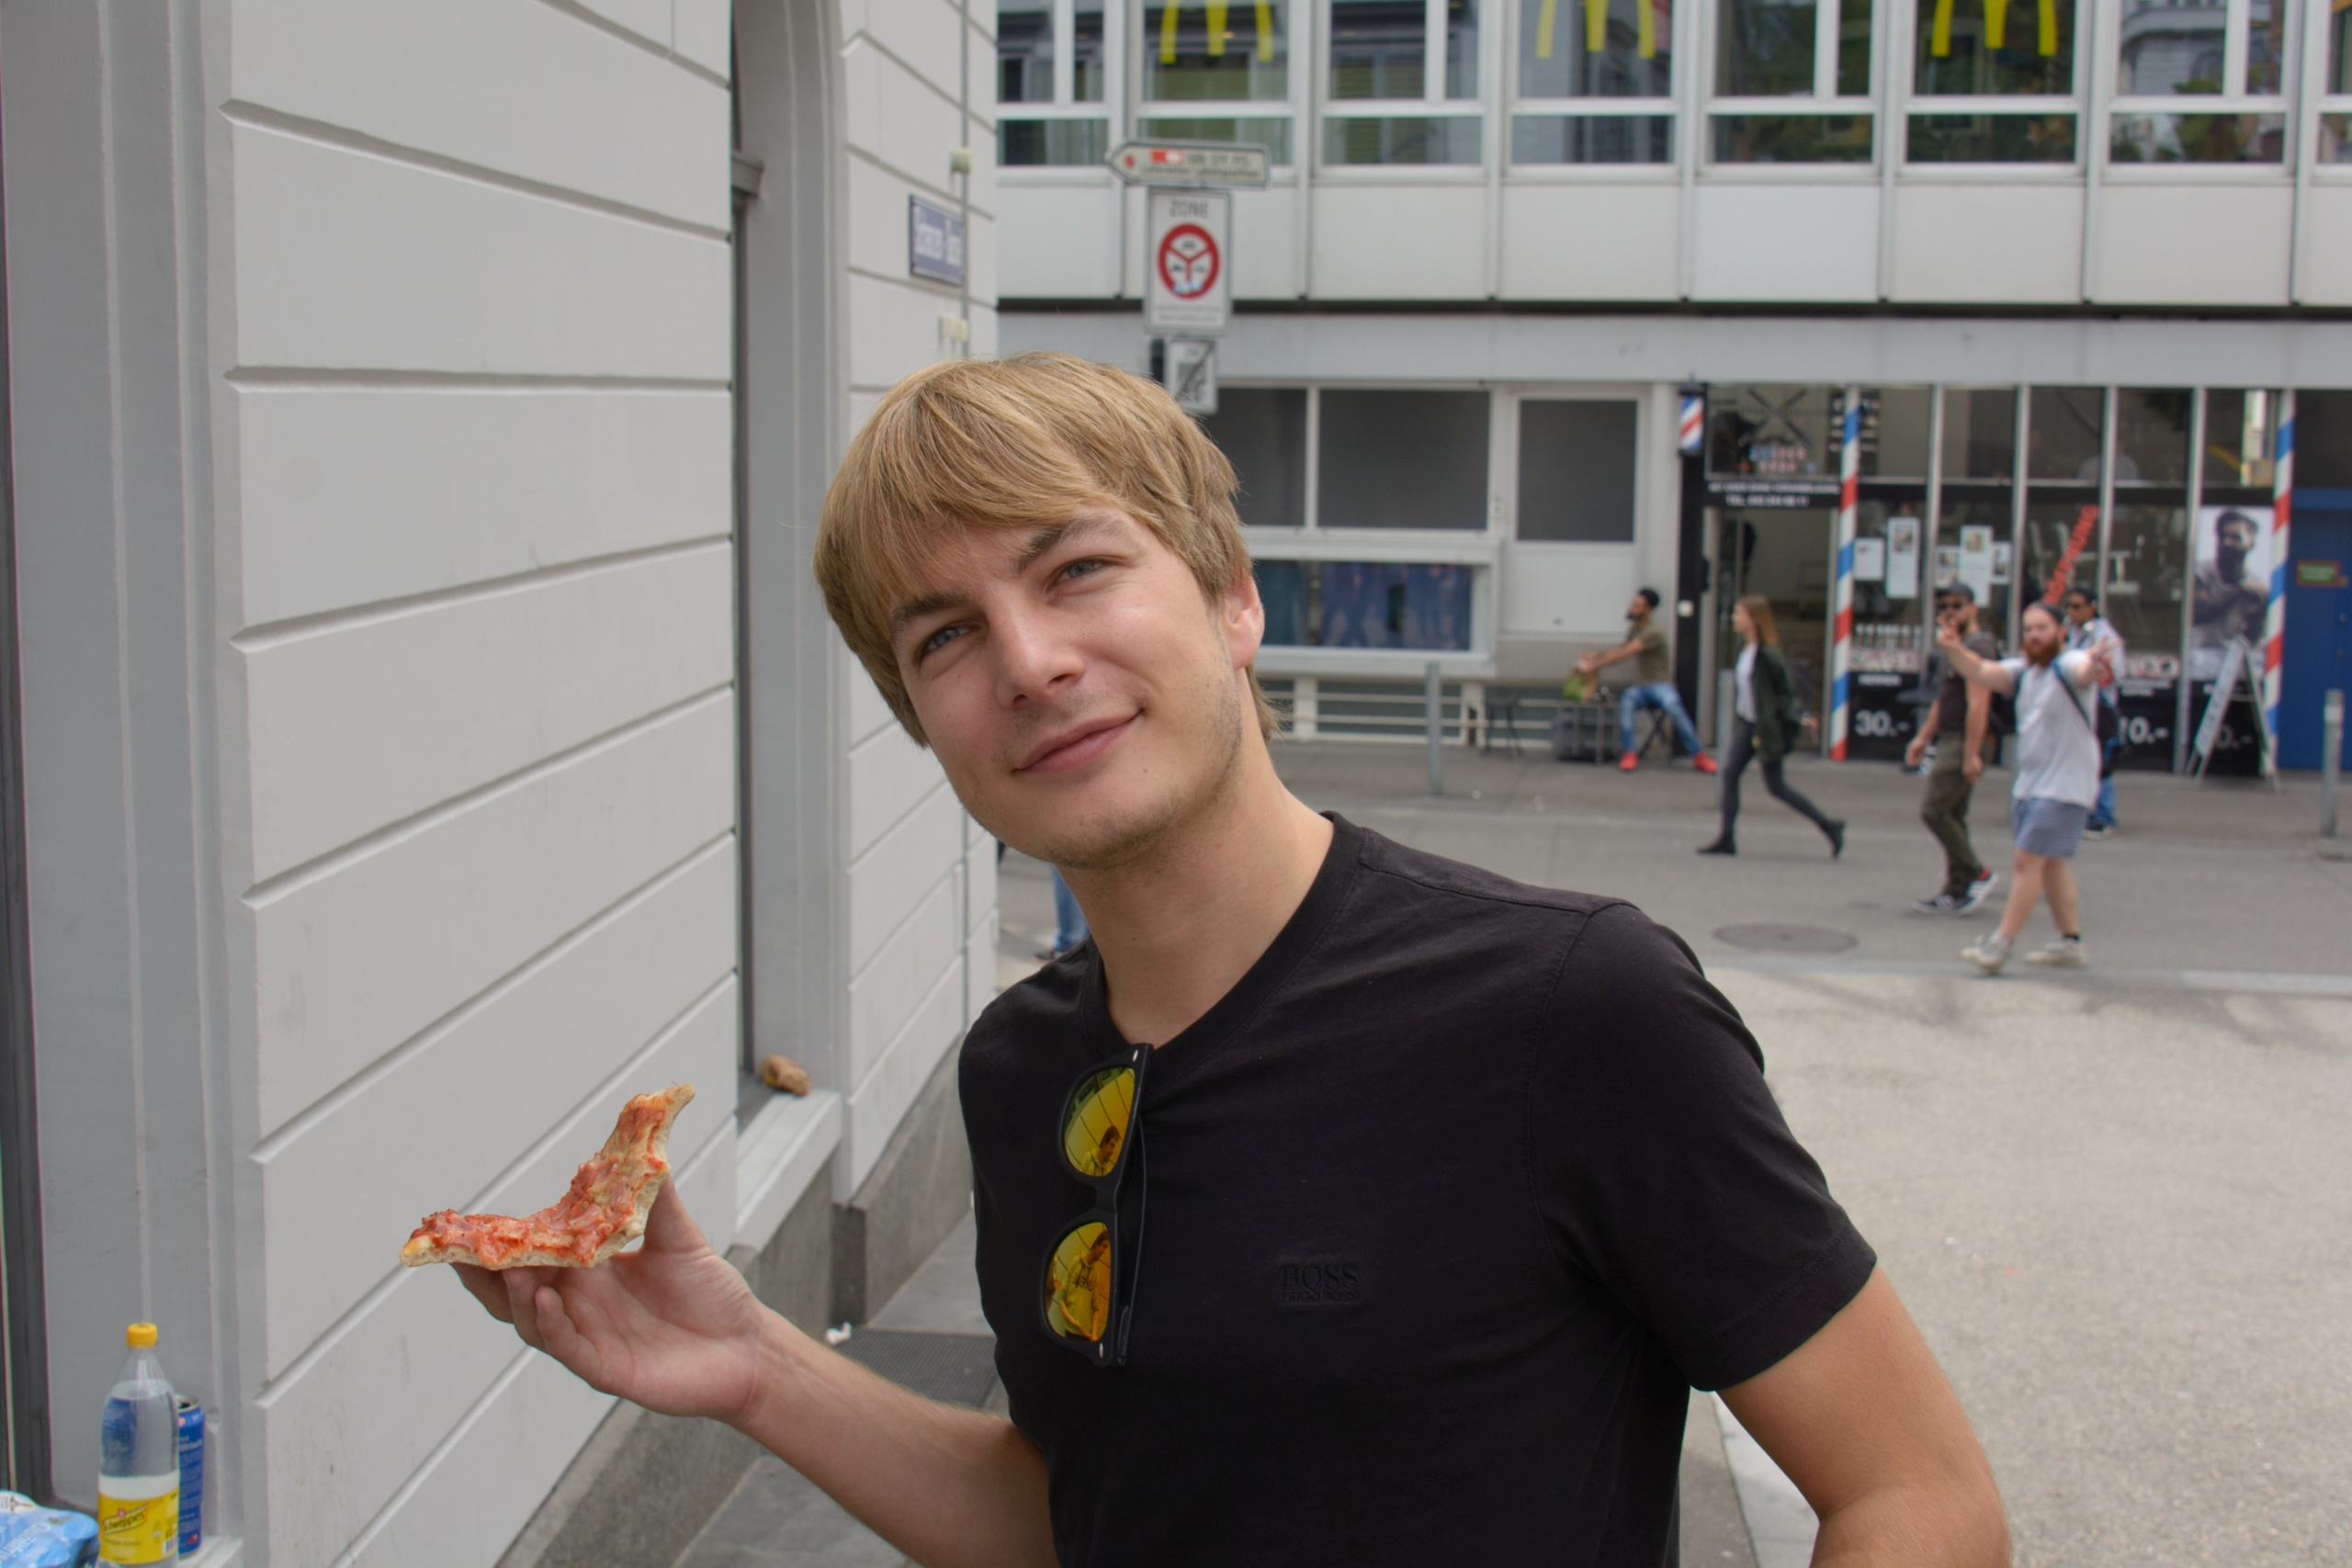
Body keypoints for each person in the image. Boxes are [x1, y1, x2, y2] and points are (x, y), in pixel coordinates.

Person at [451, 354, 2008, 1568]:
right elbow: (1090, 1514)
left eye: (1076, 569)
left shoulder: (1569, 1007)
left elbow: (1917, 1493)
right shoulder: (1018, 1072)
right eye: (945, 636)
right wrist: (755, 1363)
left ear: (1233, 596)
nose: (1030, 661)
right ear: (922, 719)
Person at [1938, 601, 2117, 975]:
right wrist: (1953, 648)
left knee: (2027, 861)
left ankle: (1999, 946)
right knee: (2052, 865)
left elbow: (2084, 671)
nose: (2034, 635)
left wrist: (2095, 663)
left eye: (2042, 628)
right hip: (2032, 786)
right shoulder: (2024, 672)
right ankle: (2070, 942)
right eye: (2029, 629)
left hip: (2064, 787)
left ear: (2060, 633)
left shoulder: (2067, 665)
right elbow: (1981, 671)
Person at [1697, 595, 1845, 858]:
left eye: (1739, 614)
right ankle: (1726, 837)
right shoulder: (1745, 649)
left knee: (1776, 787)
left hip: (1766, 728)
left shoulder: (1768, 655)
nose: (1734, 618)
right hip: (1748, 724)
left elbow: (1785, 692)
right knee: (1730, 774)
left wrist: (1799, 715)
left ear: (1753, 619)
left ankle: (1829, 826)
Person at [1905, 586, 2001, 915]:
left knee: (1934, 811)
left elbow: (1979, 703)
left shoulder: (1978, 646)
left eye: (1957, 606)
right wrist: (1923, 738)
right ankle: (1956, 888)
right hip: (1952, 738)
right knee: (1953, 815)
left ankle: (1976, 872)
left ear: (1973, 608)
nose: (1949, 612)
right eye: (1944, 607)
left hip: (1963, 741)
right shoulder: (1956, 646)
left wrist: (1972, 752)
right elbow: (1944, 699)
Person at [1575, 588, 1719, 774]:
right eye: (1633, 603)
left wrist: (1594, 665)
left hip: (1661, 685)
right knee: (1627, 701)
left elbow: (1626, 653)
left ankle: (1699, 756)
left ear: (1648, 609)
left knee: (1673, 706)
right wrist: (1597, 655)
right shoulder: (1635, 629)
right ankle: (1630, 753)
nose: (1632, 608)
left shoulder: (1653, 632)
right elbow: (1621, 648)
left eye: (1637, 605)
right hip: (1642, 687)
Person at [2062, 588, 2124, 837]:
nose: (2071, 611)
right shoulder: (2068, 630)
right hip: (2073, 704)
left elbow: (2115, 673)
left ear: (2092, 607)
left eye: (2077, 606)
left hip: (2099, 707)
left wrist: (2094, 666)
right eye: (2069, 606)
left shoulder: (2104, 635)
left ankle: (2103, 816)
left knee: (2099, 759)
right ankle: (2077, 811)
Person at [2189, 509, 2267, 679]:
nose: (2226, 543)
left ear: (2251, 543)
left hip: (2232, 663)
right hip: (2198, 656)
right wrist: (2237, 593)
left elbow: (2254, 638)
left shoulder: (2258, 588)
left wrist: (2261, 611)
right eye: (2222, 536)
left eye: (2235, 537)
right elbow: (2196, 614)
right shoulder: (2200, 572)